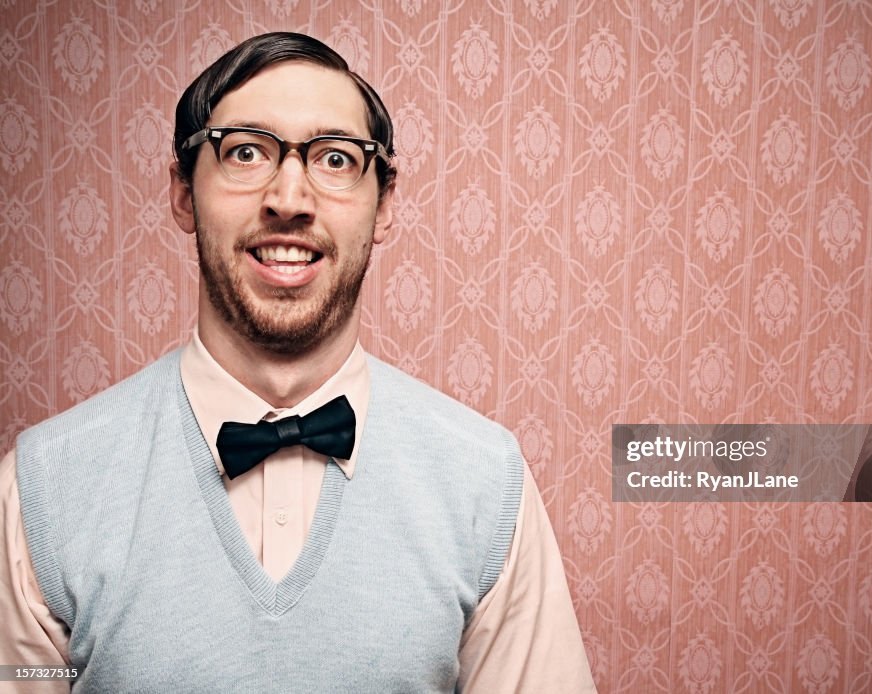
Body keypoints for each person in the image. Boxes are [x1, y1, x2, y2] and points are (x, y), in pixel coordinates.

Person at [0, 32, 595, 693]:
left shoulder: (485, 484)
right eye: (246, 152)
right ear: (181, 191)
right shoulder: (44, 489)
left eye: (335, 159)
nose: (290, 198)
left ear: (384, 203)